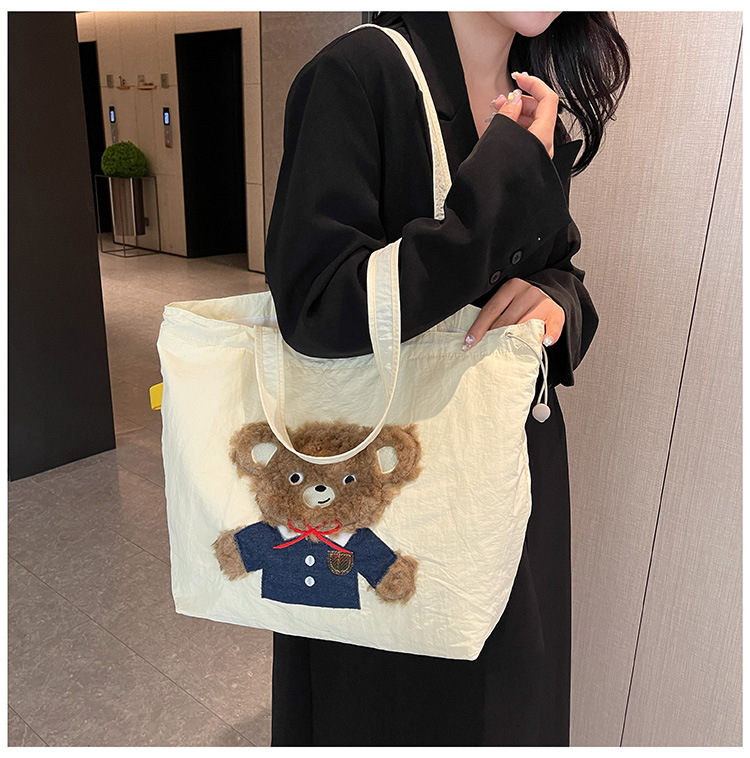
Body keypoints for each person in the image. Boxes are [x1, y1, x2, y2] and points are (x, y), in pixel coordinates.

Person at [263, 10, 630, 747]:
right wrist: (502, 175)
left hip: (509, 483)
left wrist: (555, 304)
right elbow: (316, 307)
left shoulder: (533, 100)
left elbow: (559, 269)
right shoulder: (358, 73)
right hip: (377, 493)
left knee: (506, 705)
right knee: (390, 712)